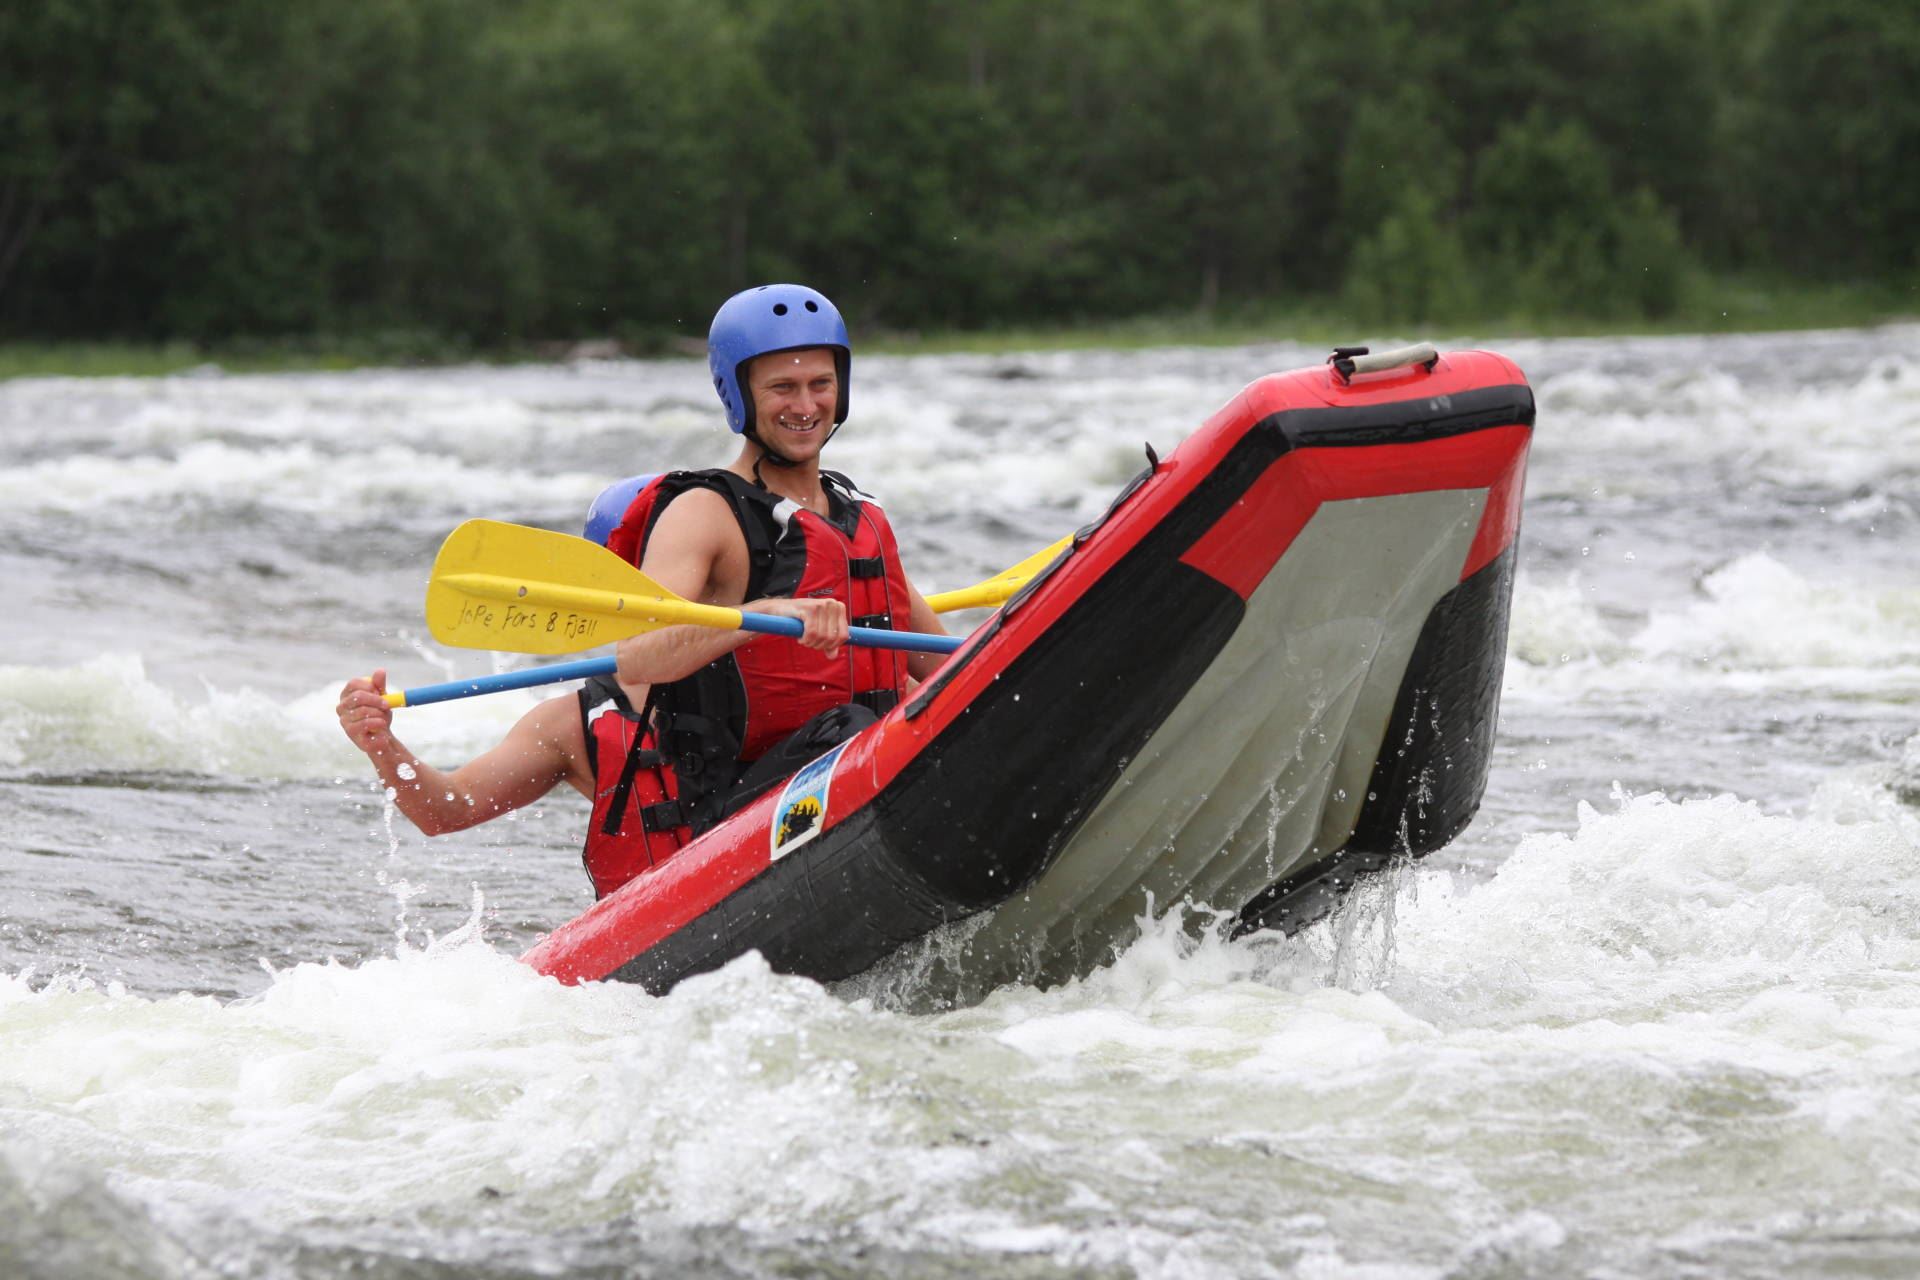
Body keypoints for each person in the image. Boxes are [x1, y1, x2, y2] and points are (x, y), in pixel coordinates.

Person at [336, 283, 944, 898]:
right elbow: (635, 668)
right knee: (851, 726)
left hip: (854, 773)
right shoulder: (700, 522)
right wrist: (382, 744)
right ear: (741, 395)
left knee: (877, 716)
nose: (805, 402)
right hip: (740, 837)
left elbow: (950, 661)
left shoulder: (856, 517)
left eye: (820, 383)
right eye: (782, 387)